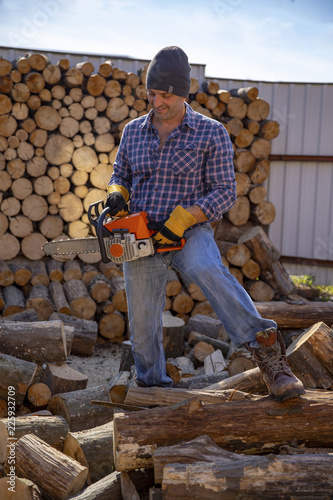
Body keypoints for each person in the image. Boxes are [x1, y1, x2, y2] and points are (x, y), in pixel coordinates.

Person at [106, 46, 305, 402]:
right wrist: (117, 191)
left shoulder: (209, 132)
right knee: (141, 317)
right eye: (152, 93)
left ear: (184, 92)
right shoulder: (133, 131)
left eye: (165, 95)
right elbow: (120, 172)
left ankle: (270, 356)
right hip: (143, 234)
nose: (157, 101)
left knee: (209, 269)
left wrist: (186, 218)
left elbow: (226, 191)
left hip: (190, 231)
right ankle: (151, 388)